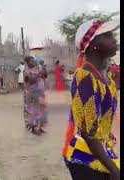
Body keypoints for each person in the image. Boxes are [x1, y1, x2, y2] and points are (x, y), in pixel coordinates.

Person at [62, 19, 120, 180]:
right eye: (108, 35)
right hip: (85, 158)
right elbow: (88, 133)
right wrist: (114, 170)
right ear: (94, 45)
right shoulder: (85, 79)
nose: (114, 39)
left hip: (100, 153)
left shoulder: (104, 77)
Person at [23, 56, 47, 135]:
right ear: (28, 62)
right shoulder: (26, 70)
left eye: (34, 60)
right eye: (32, 60)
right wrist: (38, 74)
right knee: (32, 110)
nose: (34, 61)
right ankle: (32, 127)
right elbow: (30, 80)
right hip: (30, 93)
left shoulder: (37, 68)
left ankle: (38, 127)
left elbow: (45, 75)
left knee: (40, 109)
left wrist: (42, 69)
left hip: (39, 92)